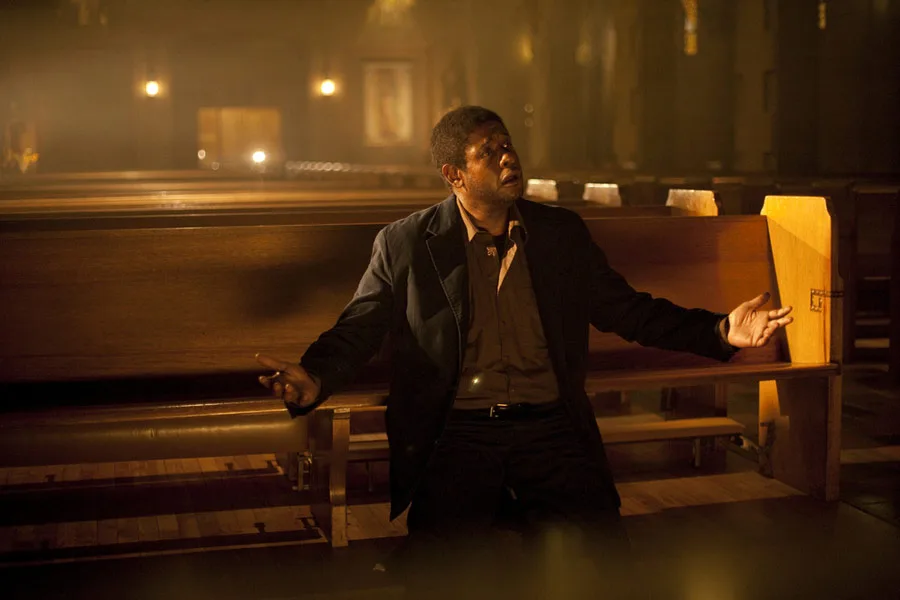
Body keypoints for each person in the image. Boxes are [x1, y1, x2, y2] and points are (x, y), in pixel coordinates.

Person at [256, 106, 793, 599]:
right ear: (454, 175)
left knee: (608, 567)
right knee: (442, 572)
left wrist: (720, 330)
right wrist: (315, 377)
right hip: (458, 431)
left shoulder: (558, 233)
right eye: (488, 152)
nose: (508, 158)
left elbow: (627, 310)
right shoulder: (407, 243)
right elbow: (361, 325)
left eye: (507, 145)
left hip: (550, 426)